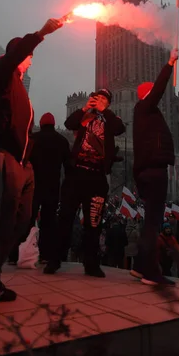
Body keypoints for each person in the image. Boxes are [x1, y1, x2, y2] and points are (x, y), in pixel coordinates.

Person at [0, 18, 62, 322]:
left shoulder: (20, 88)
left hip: (22, 165)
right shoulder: (1, 74)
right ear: (16, 53)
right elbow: (14, 55)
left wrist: (29, 159)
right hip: (2, 156)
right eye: (27, 55)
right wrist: (40, 34)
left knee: (21, 221)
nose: (31, 59)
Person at [44, 89, 125, 277]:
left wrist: (105, 111)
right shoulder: (84, 116)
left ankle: (91, 264)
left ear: (109, 103)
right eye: (98, 98)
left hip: (97, 177)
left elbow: (119, 129)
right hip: (76, 175)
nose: (100, 101)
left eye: (104, 99)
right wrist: (85, 108)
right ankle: (55, 260)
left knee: (93, 222)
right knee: (65, 218)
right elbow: (69, 123)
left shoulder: (112, 118)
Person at [131, 47, 179, 286]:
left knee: (150, 220)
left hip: (148, 170)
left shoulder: (145, 113)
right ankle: (151, 272)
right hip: (154, 169)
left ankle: (140, 266)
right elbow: (159, 89)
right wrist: (169, 63)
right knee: (153, 222)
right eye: (152, 92)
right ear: (147, 94)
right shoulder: (145, 107)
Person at [9, 112, 71, 264]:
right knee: (49, 221)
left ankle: (17, 254)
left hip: (33, 186)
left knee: (27, 219)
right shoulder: (62, 141)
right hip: (52, 187)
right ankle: (46, 255)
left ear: (41, 124)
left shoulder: (33, 140)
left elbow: (22, 162)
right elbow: (68, 167)